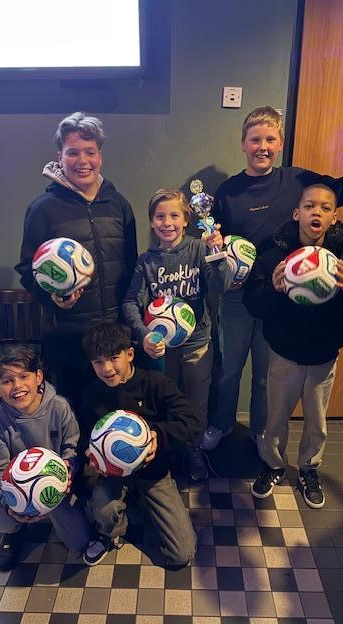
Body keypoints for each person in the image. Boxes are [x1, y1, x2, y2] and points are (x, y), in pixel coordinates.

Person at [202, 106, 343, 451]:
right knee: (228, 370)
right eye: (255, 140)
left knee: (266, 374)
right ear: (243, 144)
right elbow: (218, 245)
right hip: (238, 297)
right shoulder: (227, 192)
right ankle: (220, 424)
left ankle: (260, 430)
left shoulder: (298, 182)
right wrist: (216, 249)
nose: (262, 147)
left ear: (280, 143)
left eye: (270, 139)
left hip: (282, 293)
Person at [244, 184, 343, 507]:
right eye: (309, 206)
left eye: (325, 208)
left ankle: (309, 468)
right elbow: (253, 304)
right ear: (296, 213)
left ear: (334, 217)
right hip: (283, 354)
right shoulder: (274, 257)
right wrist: (272, 289)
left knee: (316, 421)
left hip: (322, 356)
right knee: (276, 418)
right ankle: (274, 465)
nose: (316, 212)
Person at [15, 112, 137, 413]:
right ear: (60, 156)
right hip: (70, 337)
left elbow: (133, 265)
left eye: (89, 152)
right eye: (73, 152)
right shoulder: (43, 209)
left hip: (116, 332)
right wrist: (53, 297)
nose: (82, 160)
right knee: (76, 413)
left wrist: (131, 322)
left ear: (100, 156)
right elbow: (27, 270)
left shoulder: (119, 204)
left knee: (118, 411)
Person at [122, 188, 232, 481]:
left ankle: (194, 449)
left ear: (186, 220)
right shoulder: (146, 261)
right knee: (166, 401)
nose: (167, 222)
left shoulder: (198, 249)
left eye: (174, 215)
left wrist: (217, 253)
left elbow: (220, 286)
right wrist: (144, 334)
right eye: (160, 216)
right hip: (161, 349)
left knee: (197, 402)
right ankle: (169, 449)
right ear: (151, 221)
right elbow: (130, 301)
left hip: (198, 345)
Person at [78, 322, 199, 567]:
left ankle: (141, 501)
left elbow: (191, 421)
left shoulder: (156, 383)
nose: (107, 368)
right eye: (98, 362)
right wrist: (90, 453)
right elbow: (83, 435)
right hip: (112, 475)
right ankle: (112, 530)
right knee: (102, 509)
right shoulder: (91, 393)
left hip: (153, 473)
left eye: (114, 358)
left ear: (130, 354)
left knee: (181, 554)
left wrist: (158, 436)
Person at [0, 346, 93, 572]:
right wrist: (10, 504)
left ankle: (68, 512)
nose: (17, 386)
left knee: (80, 542)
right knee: (2, 518)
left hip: (57, 487)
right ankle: (14, 532)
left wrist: (69, 470)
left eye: (24, 376)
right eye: (7, 381)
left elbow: (72, 448)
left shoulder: (60, 407)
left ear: (39, 377)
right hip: (18, 492)